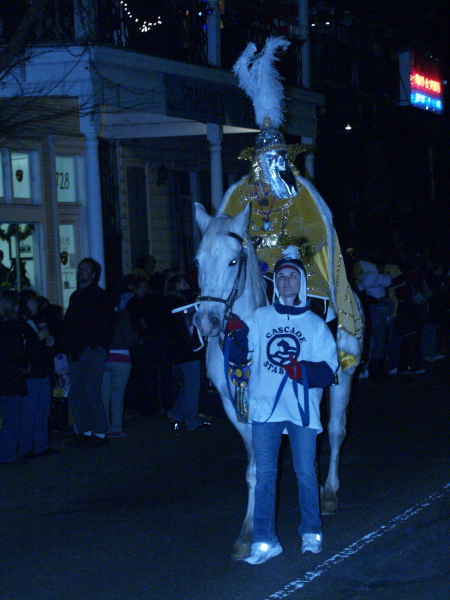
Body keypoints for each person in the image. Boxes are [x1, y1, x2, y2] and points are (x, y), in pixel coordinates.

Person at [226, 247, 338, 564]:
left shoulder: (315, 325)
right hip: (265, 410)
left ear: (300, 282)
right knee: (264, 476)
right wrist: (235, 338)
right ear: (276, 283)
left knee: (305, 473)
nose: (287, 281)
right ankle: (265, 540)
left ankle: (311, 531)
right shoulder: (259, 318)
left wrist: (301, 370)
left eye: (292, 276)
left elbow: (329, 371)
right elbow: (239, 358)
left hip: (302, 411)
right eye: (282, 277)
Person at [63, 258, 116, 448]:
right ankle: (85, 431)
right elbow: (69, 322)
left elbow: (108, 323)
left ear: (94, 274)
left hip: (92, 349)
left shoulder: (101, 295)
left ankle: (101, 433)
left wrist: (99, 346)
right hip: (77, 350)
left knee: (91, 390)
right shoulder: (75, 296)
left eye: (85, 269)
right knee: (76, 392)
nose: (81, 272)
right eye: (79, 269)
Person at [18, 290, 61, 458]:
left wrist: (50, 342)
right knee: (30, 412)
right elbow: (22, 350)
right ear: (25, 304)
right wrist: (37, 339)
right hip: (31, 374)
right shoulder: (20, 324)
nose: (36, 304)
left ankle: (41, 445)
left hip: (42, 371)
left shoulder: (37, 321)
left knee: (43, 410)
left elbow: (40, 348)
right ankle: (26, 447)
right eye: (33, 301)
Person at [164, 275, 209, 431]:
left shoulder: (168, 302)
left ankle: (176, 414)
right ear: (176, 285)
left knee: (188, 384)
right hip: (187, 349)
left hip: (177, 350)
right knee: (192, 384)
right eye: (183, 283)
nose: (187, 285)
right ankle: (192, 421)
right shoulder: (178, 303)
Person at [101, 303, 139, 437]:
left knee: (104, 396)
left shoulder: (101, 317)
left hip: (104, 358)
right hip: (122, 358)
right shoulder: (123, 317)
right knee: (118, 396)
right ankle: (116, 427)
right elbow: (132, 337)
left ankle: (103, 428)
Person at [0, 289, 28, 464]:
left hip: (4, 375)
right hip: (10, 377)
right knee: (12, 418)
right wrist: (24, 365)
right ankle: (8, 454)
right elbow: (16, 353)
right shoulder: (12, 326)